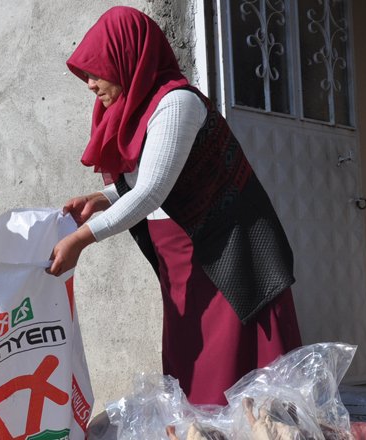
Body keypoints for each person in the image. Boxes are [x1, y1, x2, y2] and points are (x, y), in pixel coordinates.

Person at [47, 6, 303, 405]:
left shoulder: (175, 105)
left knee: (234, 365)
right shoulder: (139, 109)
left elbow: (151, 191)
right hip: (183, 254)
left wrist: (81, 239)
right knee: (193, 360)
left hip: (228, 251)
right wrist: (101, 199)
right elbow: (152, 181)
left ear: (126, 57)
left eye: (96, 71)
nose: (91, 84)